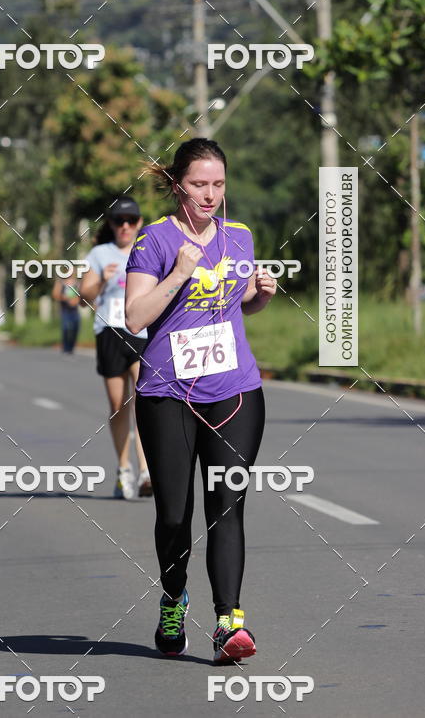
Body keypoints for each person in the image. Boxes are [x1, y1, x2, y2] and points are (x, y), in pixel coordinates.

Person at [125, 139, 277, 663]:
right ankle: (173, 599)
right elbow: (136, 318)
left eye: (217, 184)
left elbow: (235, 311)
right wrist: (179, 272)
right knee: (174, 514)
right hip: (167, 393)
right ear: (176, 185)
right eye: (198, 185)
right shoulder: (155, 241)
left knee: (226, 508)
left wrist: (259, 296)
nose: (209, 195)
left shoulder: (240, 238)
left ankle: (228, 623)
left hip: (235, 390)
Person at [80, 196, 152, 500]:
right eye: (119, 221)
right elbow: (84, 293)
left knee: (145, 401)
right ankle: (124, 469)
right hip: (110, 329)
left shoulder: (149, 248)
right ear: (111, 225)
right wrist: (103, 281)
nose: (125, 226)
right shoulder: (100, 253)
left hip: (142, 331)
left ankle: (147, 470)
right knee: (118, 405)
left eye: (131, 221)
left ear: (139, 223)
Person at [52, 278, 81, 354]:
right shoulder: (61, 282)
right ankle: (65, 347)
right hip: (65, 310)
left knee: (75, 328)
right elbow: (55, 295)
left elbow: (81, 294)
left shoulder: (77, 283)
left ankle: (71, 347)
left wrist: (76, 300)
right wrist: (66, 298)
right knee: (66, 329)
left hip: (74, 310)